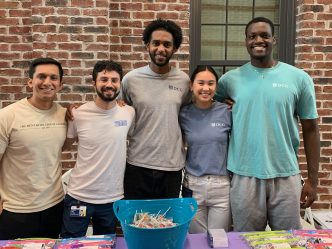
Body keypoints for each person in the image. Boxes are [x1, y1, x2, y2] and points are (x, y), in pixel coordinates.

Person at [215, 16, 320, 231]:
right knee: (247, 241)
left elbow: (311, 129)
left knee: (287, 241)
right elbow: (209, 108)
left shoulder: (298, 78)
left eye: (264, 35)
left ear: (274, 39)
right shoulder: (229, 81)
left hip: (285, 174)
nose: (258, 40)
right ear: (246, 41)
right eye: (252, 36)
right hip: (244, 175)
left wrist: (312, 179)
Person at [61, 60, 135, 238]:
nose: (109, 84)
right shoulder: (78, 114)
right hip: (79, 196)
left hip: (112, 198)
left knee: (107, 243)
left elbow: (131, 138)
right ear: (94, 83)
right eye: (104, 79)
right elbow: (64, 146)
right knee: (71, 243)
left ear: (120, 84)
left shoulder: (129, 112)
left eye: (114, 80)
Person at [120, 19, 190, 199]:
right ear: (147, 45)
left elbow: (192, 115)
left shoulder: (183, 81)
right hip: (137, 164)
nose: (161, 49)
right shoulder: (130, 80)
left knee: (167, 222)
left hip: (171, 167)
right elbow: (118, 112)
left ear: (174, 49)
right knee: (136, 222)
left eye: (167, 44)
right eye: (156, 43)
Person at [0, 57, 66, 239]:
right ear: (30, 82)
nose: (47, 82)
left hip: (55, 206)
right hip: (15, 211)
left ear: (60, 84)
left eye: (53, 78)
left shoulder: (64, 115)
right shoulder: (7, 116)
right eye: (41, 77)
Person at [179, 65, 232, 233]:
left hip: (222, 186)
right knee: (197, 241)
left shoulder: (227, 111)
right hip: (193, 185)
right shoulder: (182, 113)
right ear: (191, 85)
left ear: (216, 86)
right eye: (200, 83)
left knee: (219, 240)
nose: (205, 88)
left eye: (211, 83)